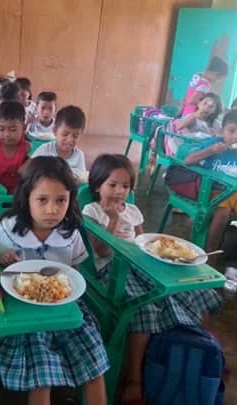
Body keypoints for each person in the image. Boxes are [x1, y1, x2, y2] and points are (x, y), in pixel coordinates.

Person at [83, 154, 221, 404]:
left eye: (125, 186)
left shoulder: (133, 211)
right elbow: (102, 251)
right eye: (112, 185)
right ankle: (134, 379)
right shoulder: (92, 211)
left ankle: (200, 348)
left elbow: (143, 241)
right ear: (97, 185)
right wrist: (112, 219)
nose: (119, 191)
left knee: (196, 291)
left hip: (141, 264)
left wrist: (163, 251)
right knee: (144, 307)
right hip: (113, 271)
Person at [0, 156, 109, 405]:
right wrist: (2, 258)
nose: (52, 210)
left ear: (70, 199)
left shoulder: (70, 233)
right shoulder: (8, 230)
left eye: (61, 200)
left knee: (95, 367)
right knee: (42, 378)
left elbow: (72, 275)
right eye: (42, 200)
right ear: (26, 198)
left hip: (65, 311)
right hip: (24, 317)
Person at [184, 109, 237, 255]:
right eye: (231, 131)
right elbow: (188, 160)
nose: (236, 136)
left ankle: (230, 238)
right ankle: (210, 254)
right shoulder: (214, 144)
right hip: (212, 191)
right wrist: (210, 151)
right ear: (222, 131)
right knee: (222, 214)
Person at [31, 105, 87, 171]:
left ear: (81, 135)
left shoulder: (79, 155)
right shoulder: (44, 150)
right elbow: (30, 171)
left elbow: (82, 175)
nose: (69, 140)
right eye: (65, 134)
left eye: (75, 136)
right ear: (55, 131)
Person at [166, 92, 223, 156]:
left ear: (215, 110)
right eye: (205, 103)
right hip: (191, 147)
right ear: (199, 104)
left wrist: (214, 134)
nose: (206, 107)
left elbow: (219, 137)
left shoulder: (216, 123)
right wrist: (194, 116)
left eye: (211, 106)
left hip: (205, 150)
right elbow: (180, 126)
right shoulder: (192, 117)